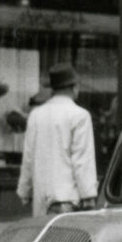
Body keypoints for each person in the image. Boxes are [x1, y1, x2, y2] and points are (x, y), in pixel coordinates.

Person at [16, 63, 97, 217]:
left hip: (41, 201)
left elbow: (28, 157)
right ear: (75, 87)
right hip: (67, 200)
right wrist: (88, 196)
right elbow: (82, 159)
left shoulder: (36, 115)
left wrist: (24, 191)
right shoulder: (80, 115)